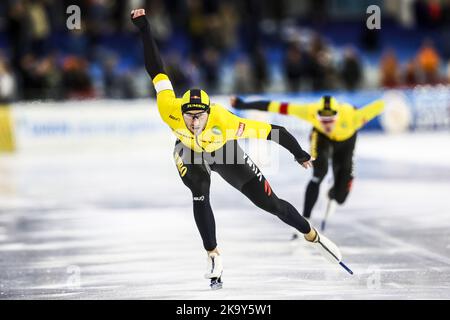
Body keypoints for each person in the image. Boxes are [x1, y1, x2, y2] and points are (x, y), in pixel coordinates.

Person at [131, 9, 349, 288]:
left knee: (270, 204)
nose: (194, 121)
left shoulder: (226, 122)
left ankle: (312, 236)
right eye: (189, 115)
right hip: (187, 150)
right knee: (200, 191)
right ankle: (213, 255)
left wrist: (299, 153)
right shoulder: (168, 108)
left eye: (200, 115)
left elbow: (273, 132)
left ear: (210, 112)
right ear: (180, 111)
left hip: (223, 150)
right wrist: (145, 29)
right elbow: (156, 70)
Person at [231, 95, 384, 233]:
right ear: (316, 116)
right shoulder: (309, 111)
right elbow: (274, 106)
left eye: (330, 121)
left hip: (347, 140)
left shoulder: (354, 117)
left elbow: (381, 104)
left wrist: (388, 101)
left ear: (338, 116)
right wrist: (243, 105)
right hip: (321, 138)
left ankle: (334, 188)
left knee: (340, 197)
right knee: (319, 172)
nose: (327, 125)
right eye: (323, 120)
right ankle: (306, 218)